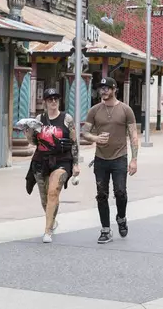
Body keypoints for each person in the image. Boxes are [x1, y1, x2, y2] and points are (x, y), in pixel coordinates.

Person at [82, 77, 138, 244]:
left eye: (107, 88)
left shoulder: (126, 110)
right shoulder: (94, 110)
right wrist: (95, 138)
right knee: (101, 194)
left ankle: (121, 218)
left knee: (120, 192)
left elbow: (133, 135)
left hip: (120, 157)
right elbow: (85, 132)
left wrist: (134, 160)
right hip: (100, 159)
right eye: (101, 88)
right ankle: (105, 229)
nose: (104, 90)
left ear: (114, 89)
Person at [24, 89, 80, 243]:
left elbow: (74, 142)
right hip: (41, 160)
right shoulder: (39, 119)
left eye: (56, 98)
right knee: (45, 198)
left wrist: (75, 164)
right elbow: (33, 142)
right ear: (45, 102)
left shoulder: (66, 119)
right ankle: (52, 221)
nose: (53, 102)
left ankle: (47, 230)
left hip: (62, 160)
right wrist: (28, 132)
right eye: (50, 99)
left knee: (53, 191)